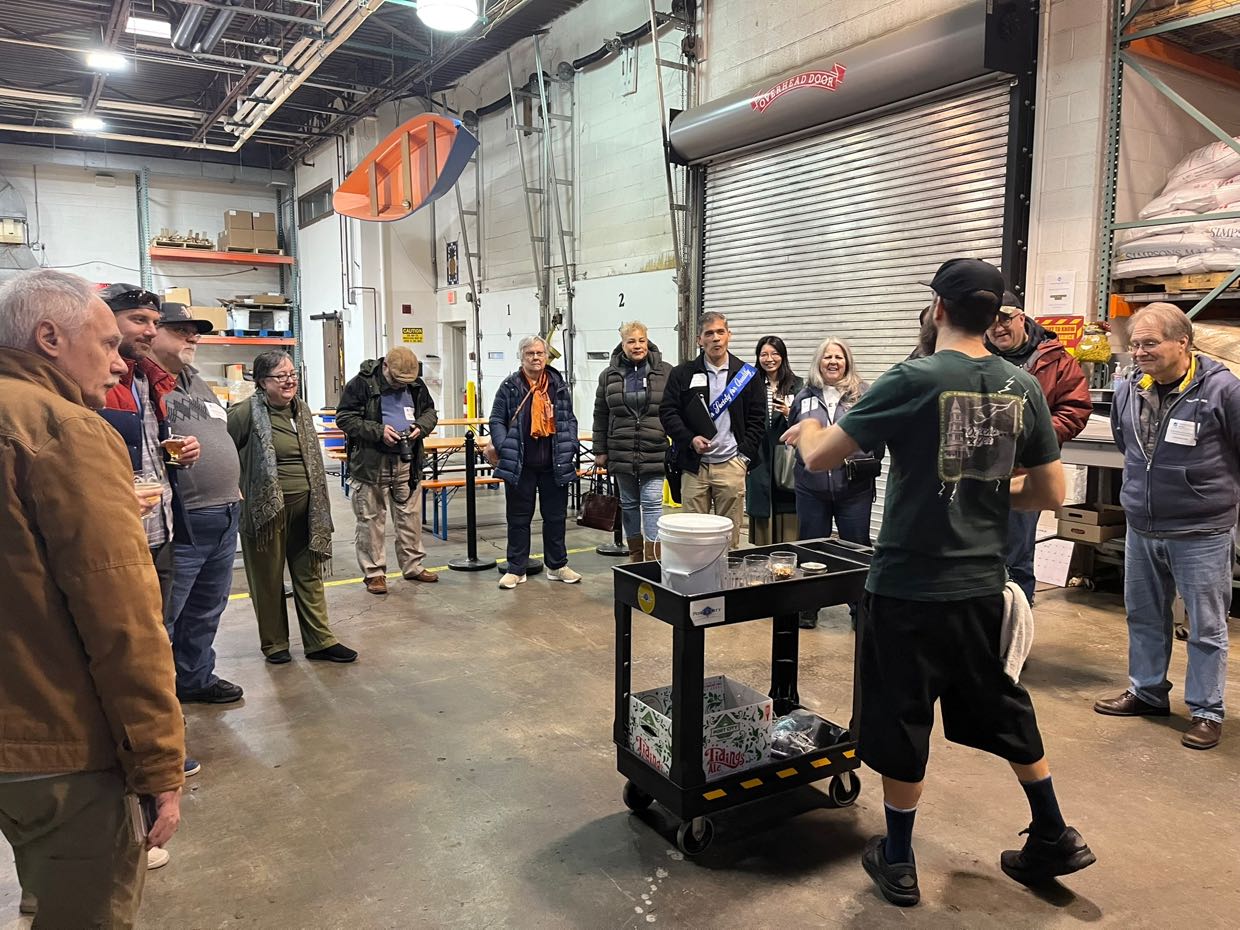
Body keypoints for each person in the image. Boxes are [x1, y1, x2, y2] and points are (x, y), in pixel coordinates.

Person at [784, 258, 1094, 907]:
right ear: (993, 315)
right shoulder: (1020, 385)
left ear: (938, 309)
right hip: (982, 585)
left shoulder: (914, 377)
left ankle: (898, 858)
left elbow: (819, 455)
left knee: (902, 716)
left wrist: (806, 425)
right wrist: (987, 494)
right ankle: (1053, 831)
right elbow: (1049, 491)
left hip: (908, 586)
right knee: (1000, 704)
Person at [0, 269, 184, 928]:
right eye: (107, 344)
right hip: (55, 741)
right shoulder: (63, 430)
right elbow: (121, 619)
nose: (119, 364)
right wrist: (159, 762)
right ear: (50, 337)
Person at [1094, 302, 1240, 751]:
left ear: (1182, 343)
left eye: (1150, 343)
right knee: (1143, 615)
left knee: (1206, 626)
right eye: (1135, 344)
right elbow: (1127, 445)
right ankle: (1147, 691)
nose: (1140, 352)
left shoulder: (1223, 390)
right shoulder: (1128, 388)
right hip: (1142, 526)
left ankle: (1206, 711)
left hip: (1201, 530)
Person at [99, 283, 204, 796]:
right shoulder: (97, 381)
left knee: (157, 639)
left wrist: (172, 452)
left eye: (153, 321)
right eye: (139, 320)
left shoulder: (147, 380)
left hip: (160, 529)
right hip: (119, 538)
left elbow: (142, 451)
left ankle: (158, 744)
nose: (149, 330)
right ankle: (136, 753)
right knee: (129, 646)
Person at [227, 350, 357, 664]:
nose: (289, 381)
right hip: (265, 514)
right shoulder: (244, 413)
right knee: (267, 579)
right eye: (280, 376)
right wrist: (234, 487)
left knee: (309, 574)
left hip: (308, 509)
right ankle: (275, 644)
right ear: (262, 382)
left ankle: (320, 641)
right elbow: (222, 451)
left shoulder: (301, 410)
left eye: (292, 375)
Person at [149, 303, 245, 705]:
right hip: (183, 519)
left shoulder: (195, 381)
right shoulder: (143, 385)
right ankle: (155, 699)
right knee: (165, 614)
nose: (193, 337)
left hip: (224, 514)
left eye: (195, 331)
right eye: (180, 330)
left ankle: (194, 678)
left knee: (207, 607)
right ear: (152, 333)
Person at [985, 291, 1091, 604]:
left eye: (1005, 319)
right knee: (973, 554)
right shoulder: (975, 354)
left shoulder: (1056, 360)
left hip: (1023, 474)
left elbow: (1075, 408)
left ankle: (1017, 626)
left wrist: (1034, 440)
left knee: (1016, 557)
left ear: (1021, 317)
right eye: (990, 321)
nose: (997, 327)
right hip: (975, 473)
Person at [786, 337, 882, 629]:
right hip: (811, 488)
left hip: (854, 489)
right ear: (819, 362)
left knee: (856, 548)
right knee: (810, 546)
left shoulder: (863, 394)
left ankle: (859, 609)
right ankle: (808, 607)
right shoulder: (804, 397)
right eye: (827, 357)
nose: (833, 362)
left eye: (838, 357)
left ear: (847, 362)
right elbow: (795, 434)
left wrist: (858, 461)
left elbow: (876, 437)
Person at [336, 346, 440, 594]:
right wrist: (379, 431)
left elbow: (430, 412)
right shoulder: (361, 384)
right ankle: (374, 573)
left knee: (409, 516)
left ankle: (413, 566)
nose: (400, 385)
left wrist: (421, 427)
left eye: (405, 382)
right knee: (371, 519)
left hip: (407, 462)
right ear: (385, 367)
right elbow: (345, 418)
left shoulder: (415, 385)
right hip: (372, 463)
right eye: (396, 380)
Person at [660, 311, 765, 548]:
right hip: (694, 467)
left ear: (729, 335)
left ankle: (727, 572)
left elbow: (758, 420)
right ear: (699, 340)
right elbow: (668, 412)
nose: (715, 338)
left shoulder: (747, 376)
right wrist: (690, 439)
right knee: (693, 537)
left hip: (731, 465)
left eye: (720, 332)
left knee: (729, 538)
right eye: (709, 333)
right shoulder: (682, 374)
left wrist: (743, 458)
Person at [488, 335, 582, 589]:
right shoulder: (510, 386)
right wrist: (504, 445)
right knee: (518, 519)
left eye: (540, 353)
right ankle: (516, 569)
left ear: (546, 356)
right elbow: (496, 419)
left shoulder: (557, 385)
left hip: (555, 463)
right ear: (521, 357)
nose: (536, 358)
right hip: (521, 465)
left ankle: (557, 566)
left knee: (556, 517)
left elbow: (568, 419)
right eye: (530, 353)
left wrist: (571, 444)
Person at [592, 321, 670, 562]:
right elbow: (601, 413)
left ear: (648, 341)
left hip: (654, 447)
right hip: (620, 448)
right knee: (628, 503)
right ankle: (636, 556)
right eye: (631, 341)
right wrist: (599, 450)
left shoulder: (665, 371)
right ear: (622, 344)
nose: (637, 346)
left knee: (652, 502)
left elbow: (675, 409)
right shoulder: (608, 375)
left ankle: (653, 558)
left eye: (641, 340)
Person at [746, 336, 804, 546]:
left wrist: (790, 413)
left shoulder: (797, 385)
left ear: (783, 356)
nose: (769, 359)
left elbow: (806, 422)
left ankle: (787, 554)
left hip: (786, 456)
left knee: (788, 505)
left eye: (774, 354)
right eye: (764, 354)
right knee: (762, 506)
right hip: (759, 456)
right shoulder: (750, 384)